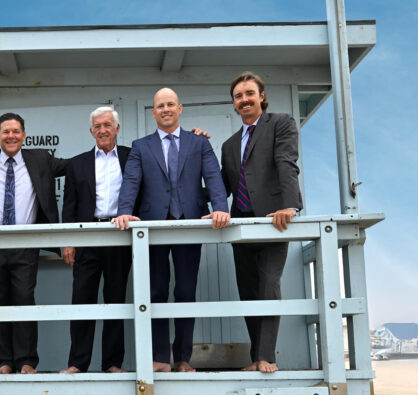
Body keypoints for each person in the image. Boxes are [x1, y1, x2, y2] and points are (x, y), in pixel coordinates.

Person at [113, 88, 230, 372]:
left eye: (170, 104)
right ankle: (160, 358)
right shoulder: (141, 146)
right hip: (152, 227)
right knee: (155, 291)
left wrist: (220, 206)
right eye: (159, 106)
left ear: (179, 108)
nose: (165, 109)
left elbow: (213, 176)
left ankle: (183, 358)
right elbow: (131, 181)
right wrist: (124, 212)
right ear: (153, 113)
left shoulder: (199, 143)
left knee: (186, 291)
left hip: (189, 224)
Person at [0, 113, 67, 374]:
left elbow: (78, 166)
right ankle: (6, 362)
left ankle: (27, 361)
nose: (11, 136)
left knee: (23, 299)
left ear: (24, 135)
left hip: (25, 242)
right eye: (6, 131)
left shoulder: (40, 159)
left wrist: (112, 146)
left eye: (16, 131)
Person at [220, 72, 303, 373]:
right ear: (234, 103)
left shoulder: (281, 123)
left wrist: (289, 205)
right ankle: (256, 357)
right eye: (239, 96)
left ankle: (267, 357)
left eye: (249, 93)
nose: (244, 100)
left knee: (269, 285)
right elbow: (222, 187)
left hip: (272, 220)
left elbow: (286, 162)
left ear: (262, 96)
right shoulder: (229, 145)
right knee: (249, 291)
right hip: (240, 226)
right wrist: (193, 146)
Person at [59, 106, 132, 374]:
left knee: (116, 300)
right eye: (97, 126)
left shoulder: (131, 157)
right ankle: (77, 363)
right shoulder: (76, 164)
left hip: (119, 237)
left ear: (116, 129)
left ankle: (112, 363)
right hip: (87, 237)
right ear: (91, 131)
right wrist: (68, 240)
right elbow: (69, 206)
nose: (102, 130)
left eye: (107, 125)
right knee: (82, 301)